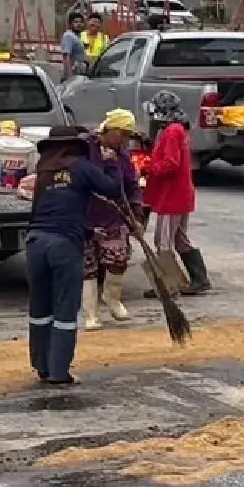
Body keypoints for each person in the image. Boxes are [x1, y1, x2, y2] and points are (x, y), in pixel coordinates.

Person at [24, 125, 125, 385]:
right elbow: (112, 189)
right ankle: (59, 372)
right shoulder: (80, 167)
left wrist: (88, 232)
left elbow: (48, 211)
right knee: (65, 309)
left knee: (40, 308)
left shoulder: (43, 170)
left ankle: (42, 366)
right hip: (64, 245)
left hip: (36, 242)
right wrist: (111, 163)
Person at [82, 108, 147, 330]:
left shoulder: (122, 155)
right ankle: (91, 313)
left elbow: (131, 184)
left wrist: (137, 213)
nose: (125, 140)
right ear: (109, 130)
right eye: (123, 134)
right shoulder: (86, 148)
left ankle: (112, 299)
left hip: (114, 216)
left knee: (118, 260)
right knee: (88, 266)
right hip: (88, 216)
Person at [143, 90, 210, 294]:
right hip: (180, 194)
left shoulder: (172, 131)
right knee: (180, 239)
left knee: (163, 242)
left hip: (171, 196)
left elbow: (171, 163)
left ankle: (168, 285)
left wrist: (150, 169)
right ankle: (200, 279)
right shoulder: (178, 129)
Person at [60, 13, 89, 80]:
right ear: (70, 24)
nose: (79, 24)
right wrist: (70, 77)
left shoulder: (76, 36)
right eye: (76, 22)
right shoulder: (68, 36)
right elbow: (66, 57)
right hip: (72, 75)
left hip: (78, 72)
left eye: (81, 22)